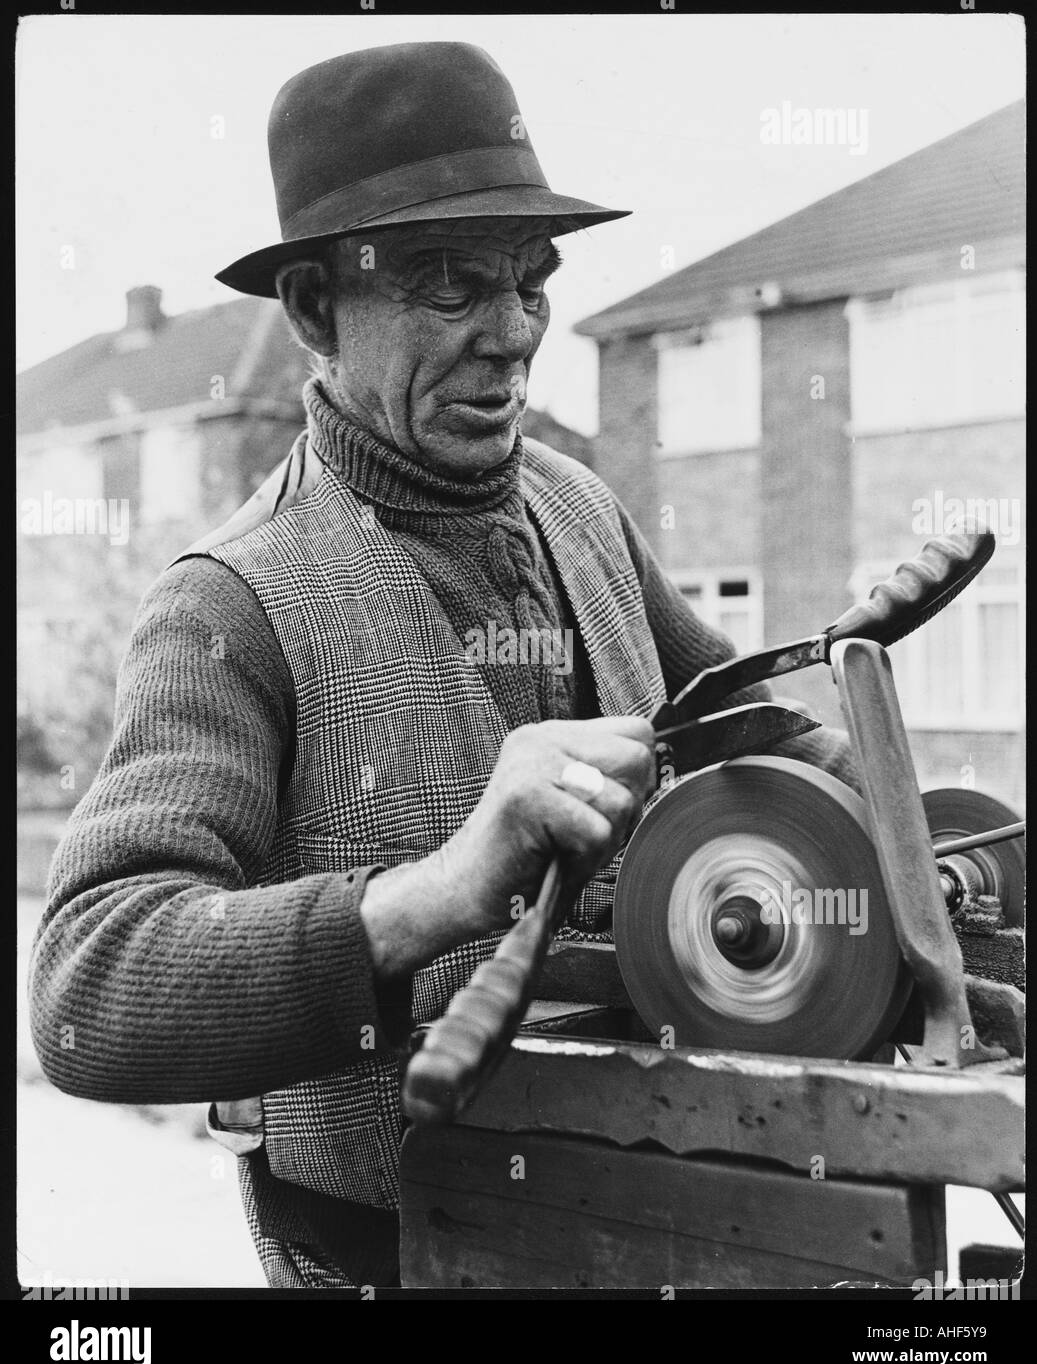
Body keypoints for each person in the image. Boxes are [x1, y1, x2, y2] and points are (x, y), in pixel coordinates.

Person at [31, 42, 858, 1288]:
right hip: (405, 1262)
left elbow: (744, 728)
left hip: (680, 1232)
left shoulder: (577, 505)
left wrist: (860, 793)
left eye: (529, 282)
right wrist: (437, 890)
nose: (513, 335)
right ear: (314, 309)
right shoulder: (228, 604)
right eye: (451, 287)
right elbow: (87, 989)